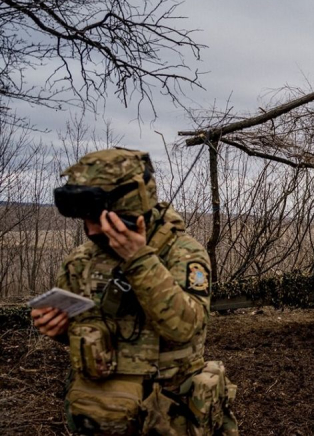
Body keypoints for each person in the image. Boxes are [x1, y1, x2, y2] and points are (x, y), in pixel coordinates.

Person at [30, 148, 237, 435]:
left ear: (129, 211)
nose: (90, 231)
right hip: (100, 413)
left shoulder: (183, 253)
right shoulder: (81, 261)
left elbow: (186, 328)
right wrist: (59, 328)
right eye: (84, 219)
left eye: (98, 218)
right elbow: (89, 331)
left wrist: (139, 259)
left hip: (166, 415)